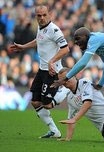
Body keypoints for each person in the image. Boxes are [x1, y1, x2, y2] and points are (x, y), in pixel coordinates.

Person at [10, 5, 70, 138]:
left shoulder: (54, 30)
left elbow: (66, 49)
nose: (42, 18)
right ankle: (54, 131)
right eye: (39, 15)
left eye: (44, 15)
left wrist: (52, 61)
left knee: (47, 105)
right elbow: (39, 40)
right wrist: (23, 47)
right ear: (36, 16)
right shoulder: (40, 28)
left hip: (52, 71)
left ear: (50, 14)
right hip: (42, 70)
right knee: (35, 102)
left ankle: (65, 89)